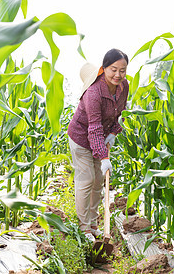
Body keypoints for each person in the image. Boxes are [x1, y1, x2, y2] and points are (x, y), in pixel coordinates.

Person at [67, 48, 129, 242]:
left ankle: (93, 223)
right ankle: (83, 228)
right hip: (81, 137)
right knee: (86, 179)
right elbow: (93, 128)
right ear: (104, 69)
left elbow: (120, 112)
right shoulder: (93, 93)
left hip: (101, 137)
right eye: (113, 69)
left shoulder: (124, 86)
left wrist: (112, 133)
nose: (118, 75)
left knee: (97, 182)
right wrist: (103, 157)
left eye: (123, 70)